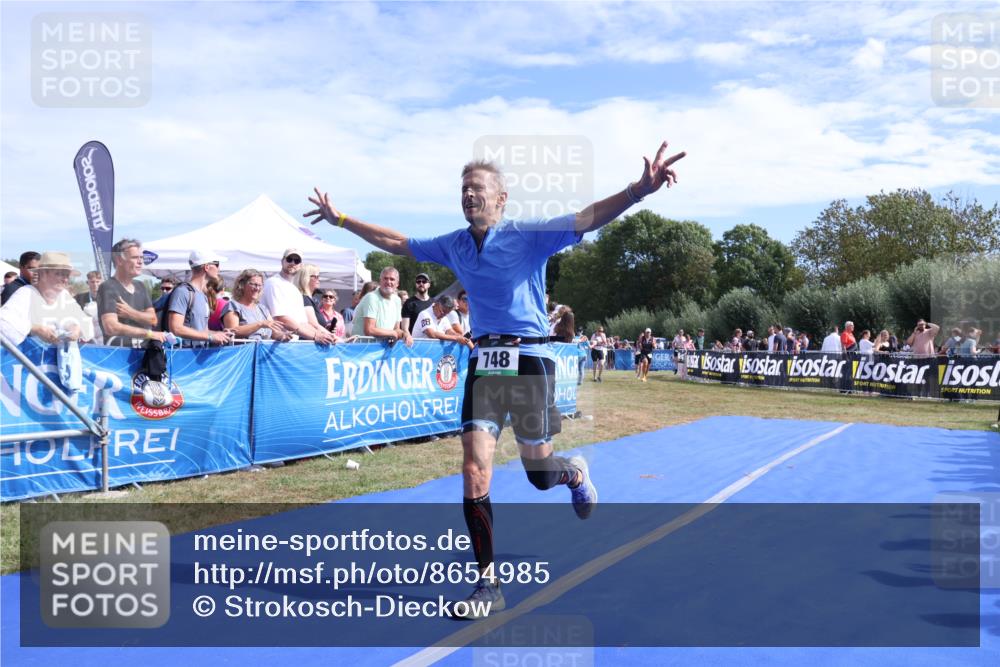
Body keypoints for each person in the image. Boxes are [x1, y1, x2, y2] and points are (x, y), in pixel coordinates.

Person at [306, 139, 685, 618]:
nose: (468, 195)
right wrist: (342, 219)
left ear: (501, 198)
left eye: (477, 188)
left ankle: (573, 472)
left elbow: (586, 218)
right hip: (484, 360)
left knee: (539, 474)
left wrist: (638, 191)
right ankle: (488, 586)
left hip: (529, 357)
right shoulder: (455, 244)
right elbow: (398, 243)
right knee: (473, 467)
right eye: (463, 189)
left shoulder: (528, 235)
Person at [0, 251, 93, 345]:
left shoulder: (64, 295)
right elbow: (3, 323)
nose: (65, 279)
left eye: (67, 275)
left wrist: (76, 327)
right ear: (43, 274)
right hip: (28, 357)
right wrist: (35, 329)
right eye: (59, 274)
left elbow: (86, 323)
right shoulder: (27, 293)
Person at [98, 239, 166, 348]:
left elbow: (153, 319)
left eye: (141, 258)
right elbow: (111, 327)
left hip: (143, 354)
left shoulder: (141, 286)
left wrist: (130, 312)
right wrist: (149, 333)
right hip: (119, 356)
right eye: (135, 257)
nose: (140, 262)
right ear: (119, 260)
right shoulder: (107, 287)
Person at [260, 249, 335, 344]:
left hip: (290, 344)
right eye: (289, 259)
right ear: (282, 261)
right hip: (274, 344)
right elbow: (282, 318)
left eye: (297, 261)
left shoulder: (294, 289)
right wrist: (316, 336)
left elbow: (303, 323)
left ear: (300, 265)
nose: (292, 263)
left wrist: (328, 336)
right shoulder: (274, 283)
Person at [164, 249, 233, 347]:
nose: (219, 269)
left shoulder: (203, 295)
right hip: (183, 357)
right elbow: (175, 328)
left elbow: (202, 331)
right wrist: (211, 337)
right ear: (207, 267)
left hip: (198, 355)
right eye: (217, 264)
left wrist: (218, 334)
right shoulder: (183, 291)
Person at [221, 269, 289, 342]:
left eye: (260, 285)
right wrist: (260, 324)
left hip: (262, 351)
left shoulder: (262, 308)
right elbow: (232, 331)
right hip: (243, 351)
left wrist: (283, 335)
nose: (257, 288)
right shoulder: (233, 306)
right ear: (242, 285)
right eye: (254, 284)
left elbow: (273, 332)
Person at [353, 267, 413, 345]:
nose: (388, 282)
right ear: (380, 281)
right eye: (385, 278)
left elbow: (396, 329)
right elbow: (369, 330)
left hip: (382, 349)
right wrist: (393, 333)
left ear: (397, 284)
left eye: (392, 279)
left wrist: (405, 334)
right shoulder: (371, 297)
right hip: (362, 349)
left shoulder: (397, 300)